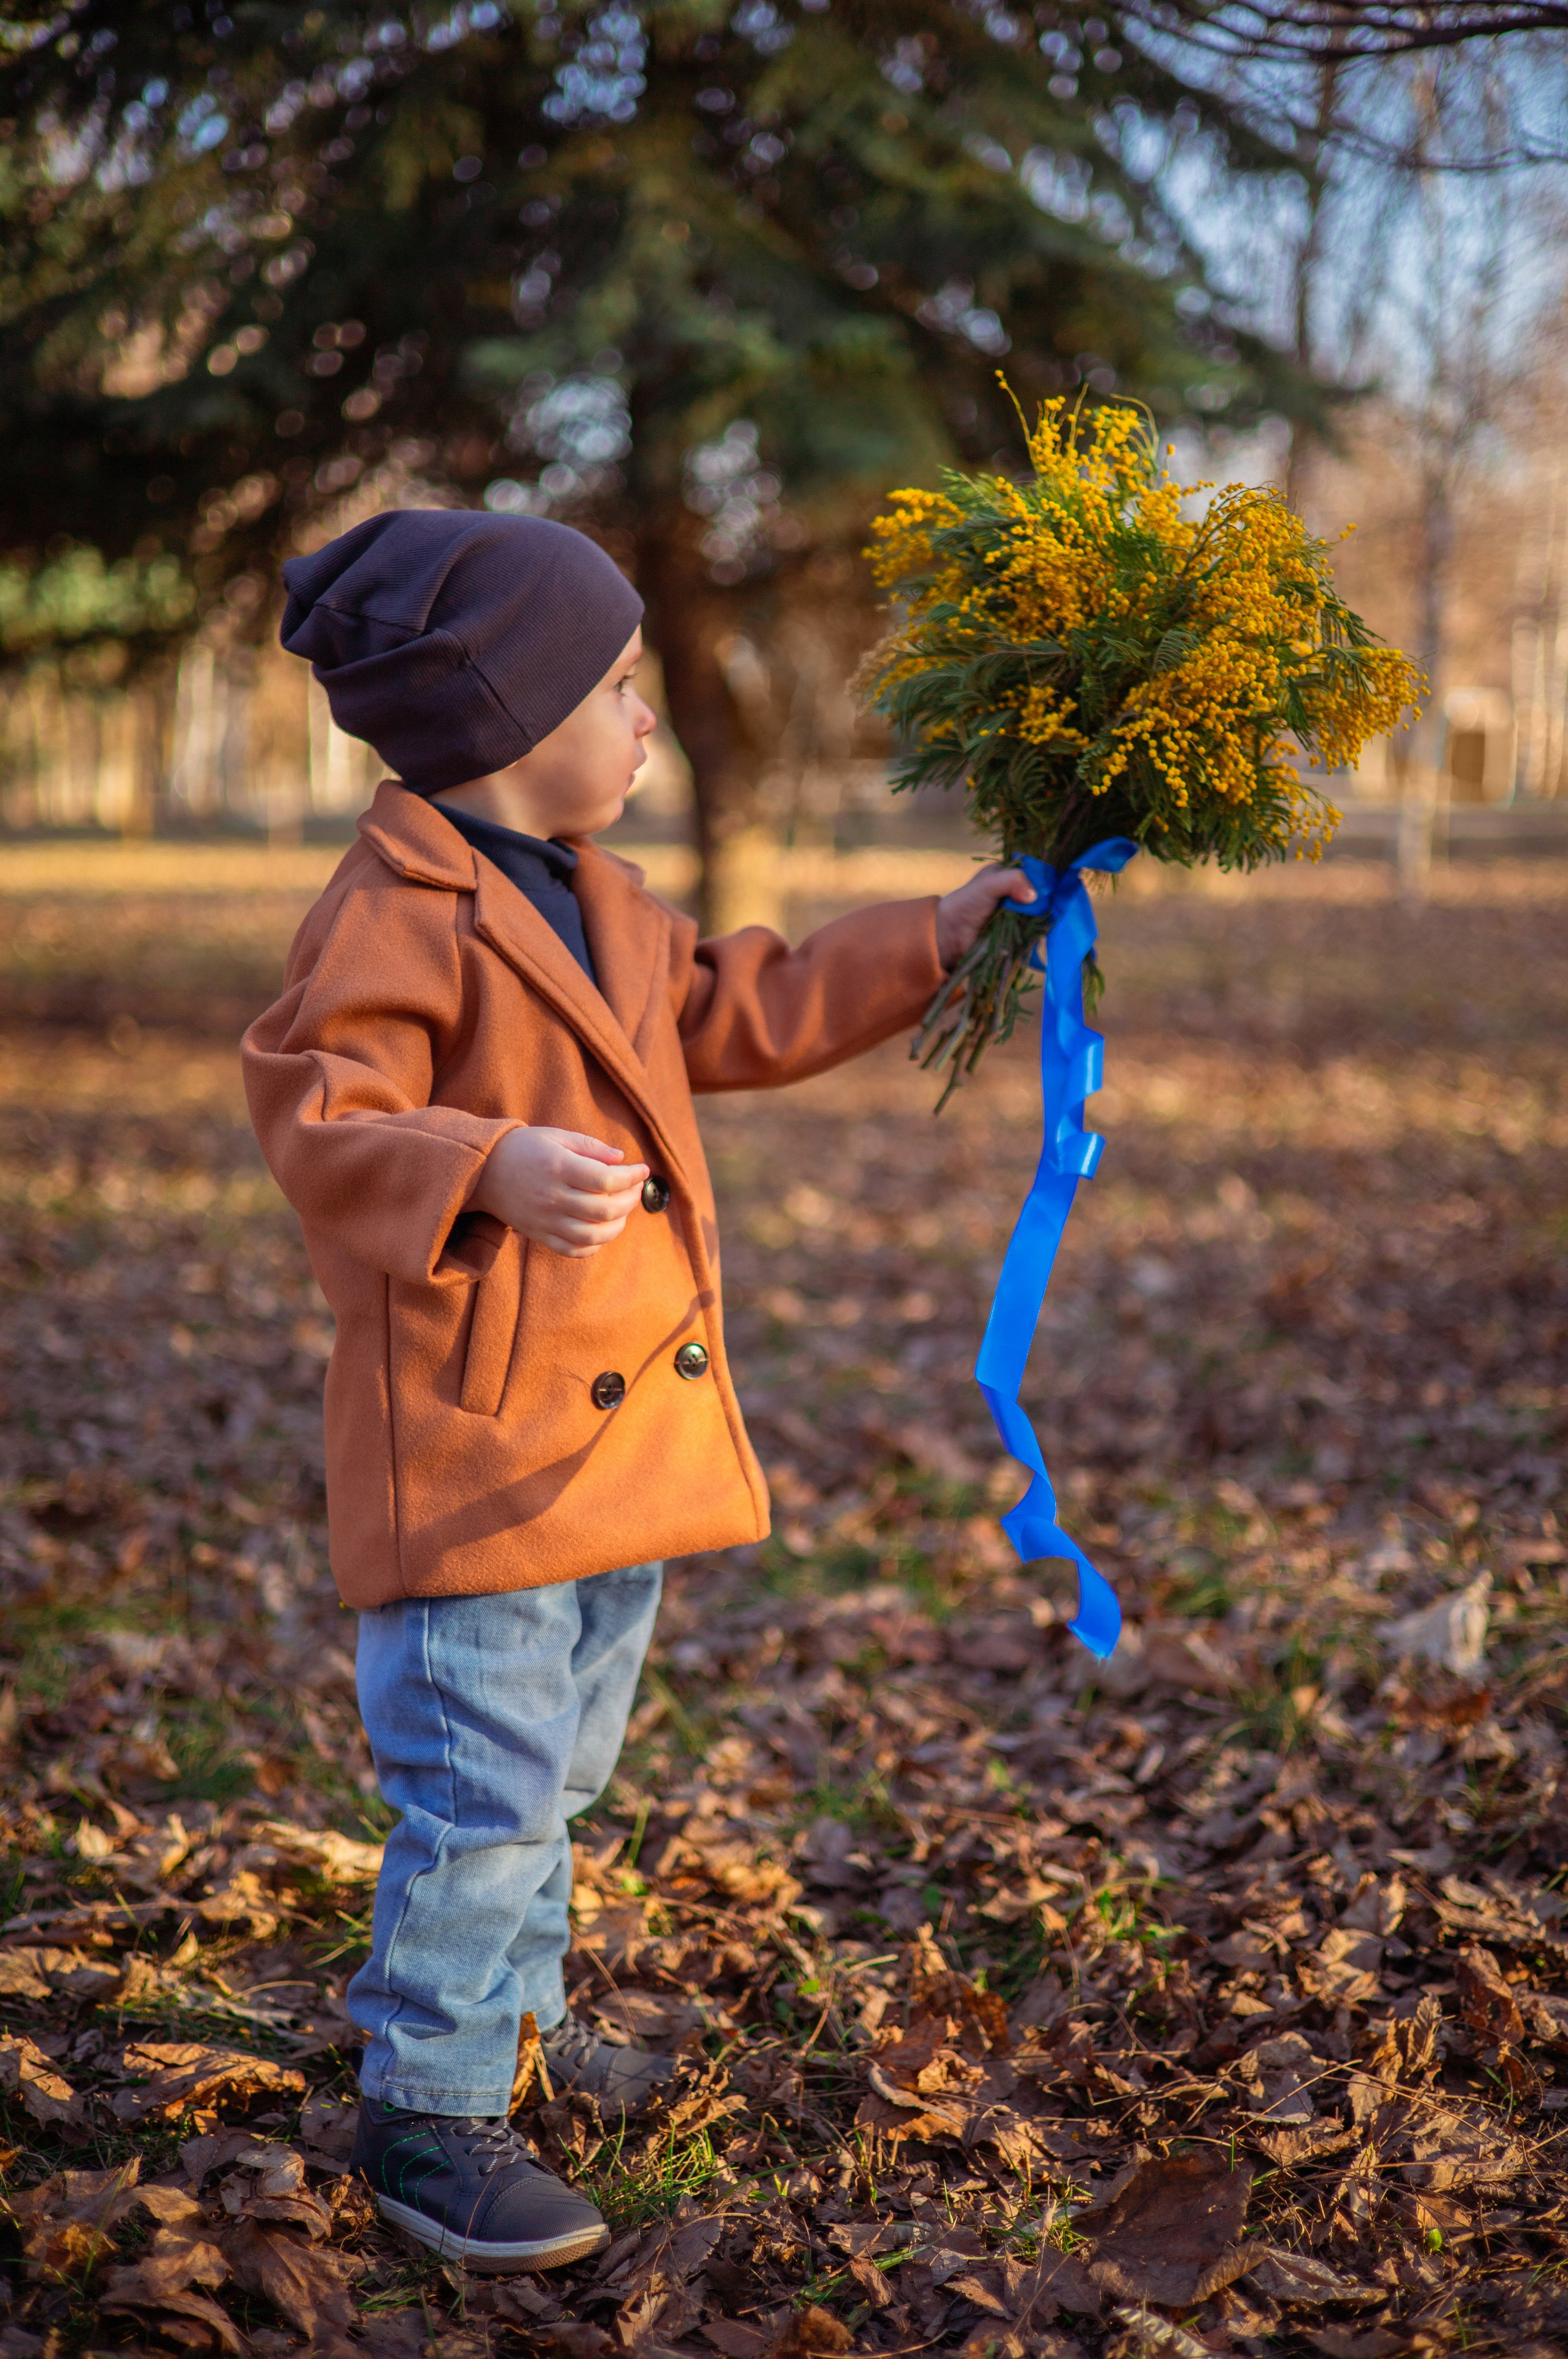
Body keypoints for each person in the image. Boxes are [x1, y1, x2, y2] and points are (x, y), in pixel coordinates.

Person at [243, 507, 1032, 2274]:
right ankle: (431, 2112)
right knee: (483, 1786)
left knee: (560, 1773)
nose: (649, 714)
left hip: (612, 1462)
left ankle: (513, 2032)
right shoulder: (397, 910)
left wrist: (936, 928)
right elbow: (316, 1108)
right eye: (616, 686)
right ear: (504, 726)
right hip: (476, 1458)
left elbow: (742, 1005)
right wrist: (486, 1164)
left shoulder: (606, 897)